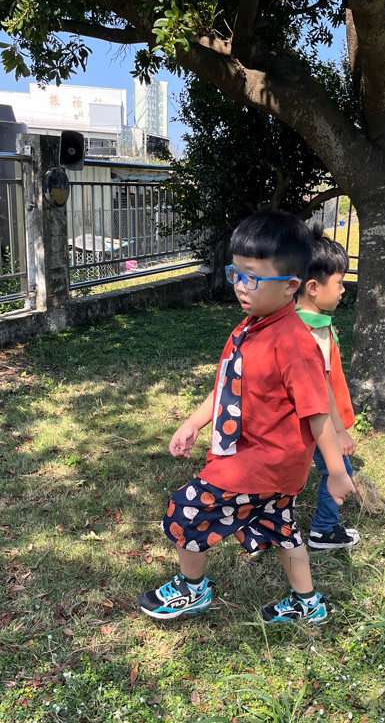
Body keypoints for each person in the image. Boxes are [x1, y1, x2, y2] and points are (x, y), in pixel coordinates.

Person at [137, 210, 355, 624]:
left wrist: (336, 471)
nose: (240, 285)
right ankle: (308, 604)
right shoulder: (251, 327)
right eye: (235, 273)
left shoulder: (294, 344)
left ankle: (191, 589)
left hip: (263, 462)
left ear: (291, 285)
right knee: (281, 528)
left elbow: (318, 413)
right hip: (264, 462)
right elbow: (227, 384)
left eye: (252, 277)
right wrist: (193, 423)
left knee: (187, 509)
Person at [296, 227, 360, 550]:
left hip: (305, 420)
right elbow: (321, 386)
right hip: (320, 421)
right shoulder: (314, 331)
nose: (343, 290)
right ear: (313, 287)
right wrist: (339, 431)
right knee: (339, 469)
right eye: (339, 283)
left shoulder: (296, 321)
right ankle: (323, 529)